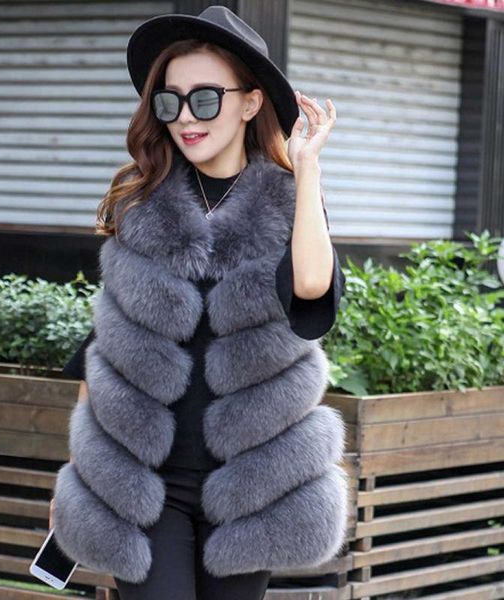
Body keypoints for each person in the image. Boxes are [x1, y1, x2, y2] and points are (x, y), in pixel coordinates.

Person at [49, 6, 348, 600]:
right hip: (142, 485)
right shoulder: (142, 203)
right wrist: (81, 475)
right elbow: (106, 344)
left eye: (206, 99)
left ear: (250, 103)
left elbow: (312, 288)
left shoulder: (286, 202)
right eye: (171, 101)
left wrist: (306, 169)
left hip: (251, 487)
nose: (186, 117)